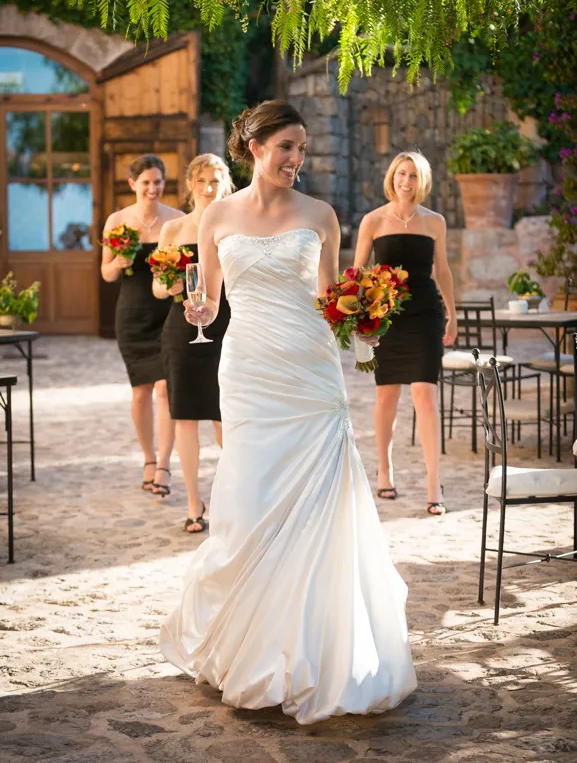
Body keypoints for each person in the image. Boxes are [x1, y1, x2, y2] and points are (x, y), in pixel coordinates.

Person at [159, 100, 416, 725]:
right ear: (254, 148)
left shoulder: (321, 215)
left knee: (320, 501)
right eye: (286, 148)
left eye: (302, 149)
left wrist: (363, 315)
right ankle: (248, 639)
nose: (296, 160)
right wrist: (199, 313)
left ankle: (316, 648)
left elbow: (329, 296)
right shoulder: (217, 216)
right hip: (248, 370)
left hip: (309, 368)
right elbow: (213, 299)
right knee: (250, 495)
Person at [354, 152, 457, 515]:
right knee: (386, 398)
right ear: (391, 177)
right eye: (401, 174)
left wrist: (453, 315)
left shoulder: (435, 222)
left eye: (413, 175)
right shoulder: (373, 220)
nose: (406, 181)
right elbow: (357, 275)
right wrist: (361, 317)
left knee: (425, 397)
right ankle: (384, 469)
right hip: (387, 319)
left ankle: (433, 484)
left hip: (426, 314)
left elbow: (441, 271)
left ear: (421, 181)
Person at [153, 154, 233, 526]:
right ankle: (193, 504)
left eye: (215, 181)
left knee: (224, 416)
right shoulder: (173, 230)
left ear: (225, 184)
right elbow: (157, 286)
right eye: (201, 181)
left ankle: (232, 500)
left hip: (227, 327)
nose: (208, 188)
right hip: (182, 329)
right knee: (184, 416)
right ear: (190, 186)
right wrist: (167, 284)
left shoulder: (236, 226)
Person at [101, 154, 183, 493]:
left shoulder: (176, 221)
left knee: (165, 390)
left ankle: (164, 465)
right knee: (140, 393)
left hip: (168, 314)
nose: (153, 188)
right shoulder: (117, 221)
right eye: (146, 182)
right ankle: (148, 458)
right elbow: (106, 274)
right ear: (133, 184)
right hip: (132, 316)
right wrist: (118, 261)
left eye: (158, 181)